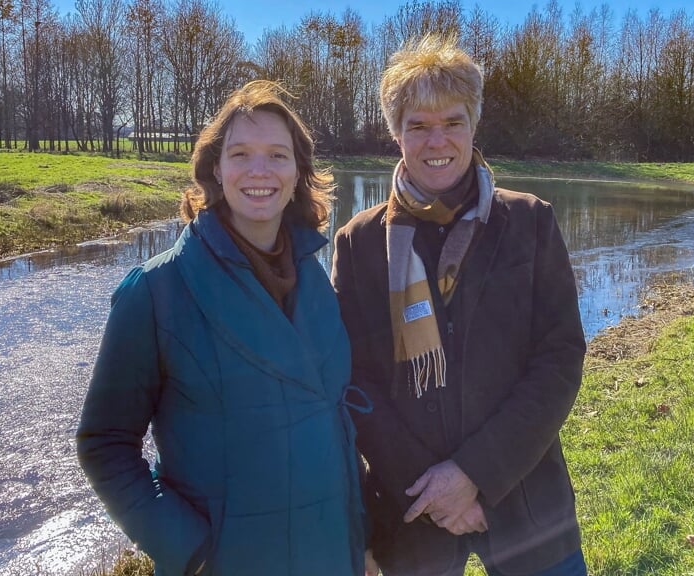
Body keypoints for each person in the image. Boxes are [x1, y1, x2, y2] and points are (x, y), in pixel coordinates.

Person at [77, 80, 367, 576]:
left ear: (298, 172)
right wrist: (191, 550)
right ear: (216, 167)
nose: (260, 171)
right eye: (241, 154)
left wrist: (361, 538)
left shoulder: (316, 278)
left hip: (330, 553)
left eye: (278, 155)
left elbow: (338, 422)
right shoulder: (154, 292)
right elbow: (104, 443)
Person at [332, 36, 588, 576]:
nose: (436, 140)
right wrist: (435, 491)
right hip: (413, 516)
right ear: (396, 133)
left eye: (452, 122)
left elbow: (559, 360)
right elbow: (353, 381)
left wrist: (473, 474)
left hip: (528, 510)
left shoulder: (530, 222)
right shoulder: (357, 243)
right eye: (417, 125)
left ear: (474, 127)